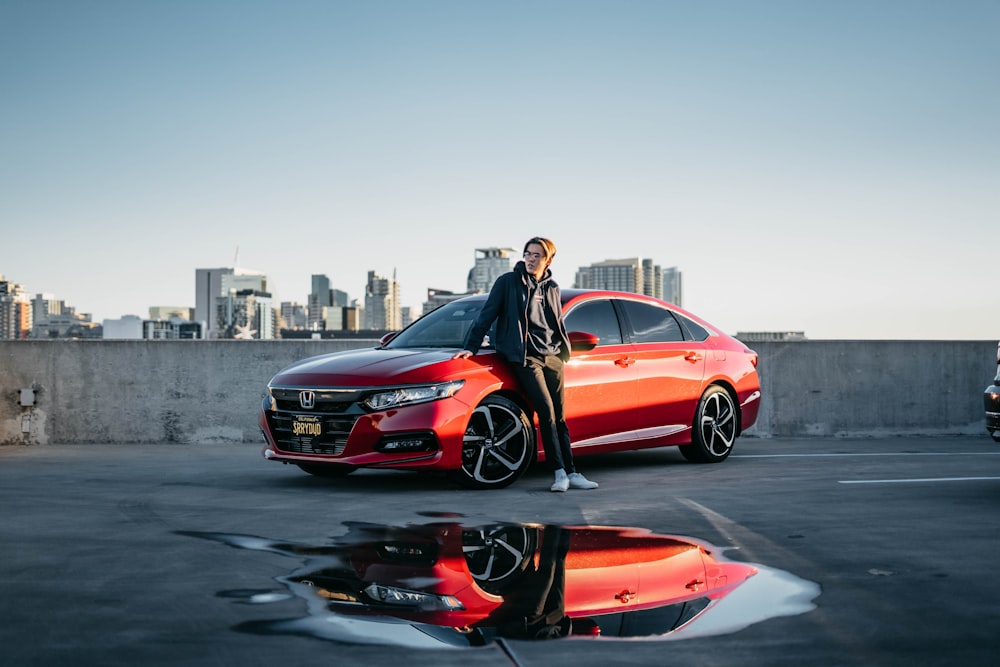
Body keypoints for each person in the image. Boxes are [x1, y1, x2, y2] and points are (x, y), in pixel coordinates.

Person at [454, 236, 598, 492]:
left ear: (548, 260)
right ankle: (558, 473)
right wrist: (470, 347)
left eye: (536, 256)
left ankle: (573, 472)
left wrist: (563, 351)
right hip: (525, 357)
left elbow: (556, 324)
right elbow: (486, 315)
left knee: (560, 417)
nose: (530, 259)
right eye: (528, 254)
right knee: (546, 413)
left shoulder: (552, 287)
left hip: (553, 357)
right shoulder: (508, 283)